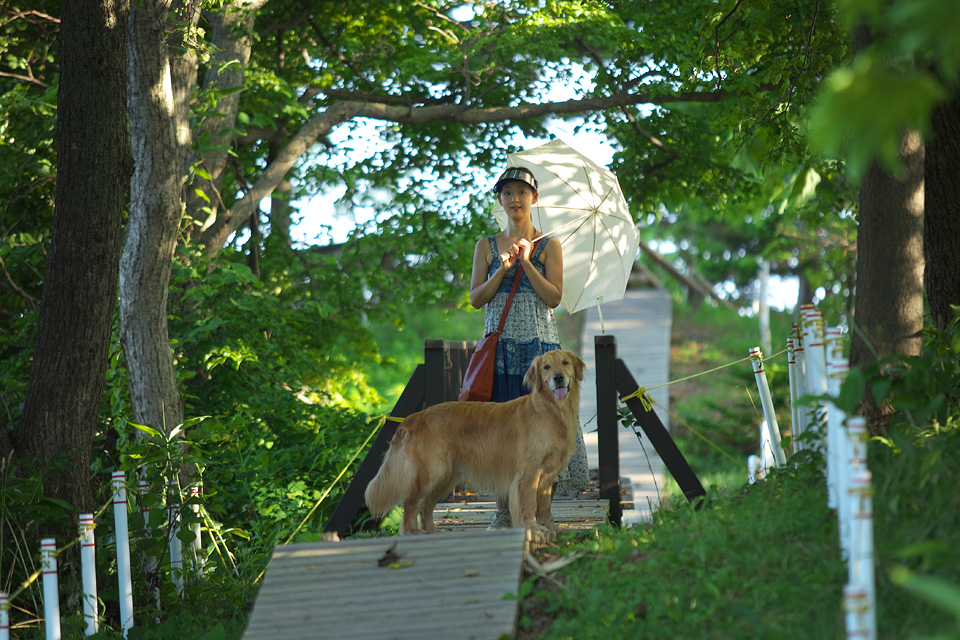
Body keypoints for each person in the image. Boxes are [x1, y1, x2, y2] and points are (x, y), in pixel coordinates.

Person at [468, 166, 589, 529]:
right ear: (500, 199)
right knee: (503, 435)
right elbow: (476, 298)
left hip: (541, 353)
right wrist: (502, 269)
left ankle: (542, 515)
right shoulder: (486, 246)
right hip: (501, 353)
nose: (515, 199)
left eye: (522, 192)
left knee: (548, 433)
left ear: (534, 198)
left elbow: (553, 297)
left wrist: (526, 262)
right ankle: (503, 512)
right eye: (507, 193)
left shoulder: (550, 246)